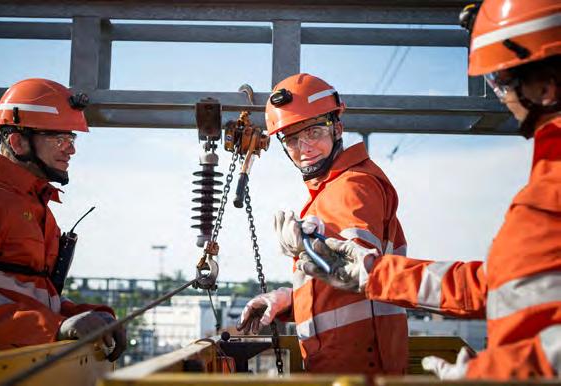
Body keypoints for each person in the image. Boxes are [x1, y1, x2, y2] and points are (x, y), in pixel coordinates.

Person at [298, 0, 561, 379]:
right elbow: (496, 286)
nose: (502, 98)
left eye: (501, 81)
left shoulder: (353, 186)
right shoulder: (545, 181)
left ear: (546, 88)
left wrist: (495, 372)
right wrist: (373, 274)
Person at [0, 78, 126, 364]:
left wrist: (85, 317)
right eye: (60, 139)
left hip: (18, 371)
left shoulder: (38, 207)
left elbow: (32, 297)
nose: (71, 150)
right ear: (18, 142)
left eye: (72, 139)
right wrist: (55, 328)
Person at [238, 73, 409, 374]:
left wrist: (303, 250)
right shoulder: (330, 191)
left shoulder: (352, 186)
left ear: (337, 128)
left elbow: (361, 273)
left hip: (358, 370)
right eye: (291, 138)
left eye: (314, 132)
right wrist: (289, 300)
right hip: (347, 365)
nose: (304, 147)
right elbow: (337, 289)